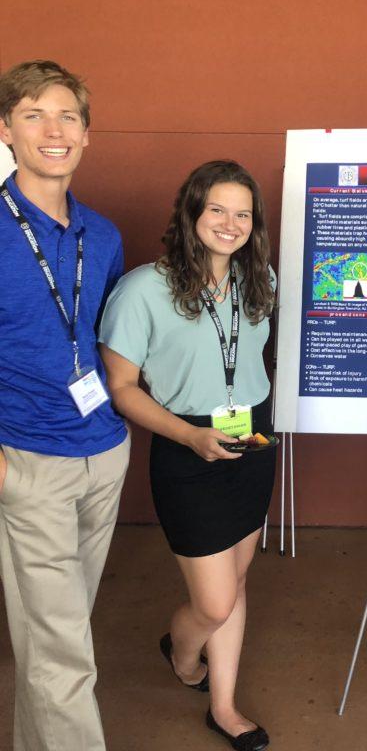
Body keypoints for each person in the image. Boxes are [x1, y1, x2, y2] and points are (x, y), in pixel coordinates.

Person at [99, 160, 276, 751]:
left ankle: (223, 706)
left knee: (237, 581)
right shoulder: (142, 288)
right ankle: (181, 653)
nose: (230, 224)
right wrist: (189, 436)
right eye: (217, 210)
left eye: (243, 213)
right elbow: (121, 389)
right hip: (185, 444)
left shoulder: (260, 281)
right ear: (192, 212)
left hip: (253, 439)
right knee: (215, 599)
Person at [0, 59, 131, 751]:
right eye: (33, 115)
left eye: (67, 116)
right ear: (6, 132)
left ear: (85, 135)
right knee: (63, 655)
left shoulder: (102, 236)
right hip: (29, 463)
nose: (53, 130)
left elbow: (106, 342)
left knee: (54, 634)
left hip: (104, 455)